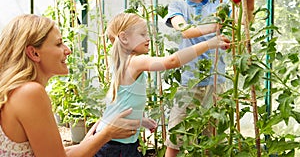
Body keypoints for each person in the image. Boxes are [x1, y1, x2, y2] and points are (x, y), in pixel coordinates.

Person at [0, 14, 141, 157]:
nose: (68, 50)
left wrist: (96, 135)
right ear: (34, 53)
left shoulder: (14, 91)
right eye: (58, 44)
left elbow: (53, 153)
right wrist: (108, 133)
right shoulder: (29, 92)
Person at [93, 12, 230, 157]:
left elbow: (122, 105)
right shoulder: (133, 62)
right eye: (142, 34)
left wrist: (141, 121)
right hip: (114, 146)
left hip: (118, 142)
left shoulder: (123, 63)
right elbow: (172, 61)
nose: (148, 38)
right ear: (124, 38)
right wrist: (209, 44)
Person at [164, 0, 255, 156]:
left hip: (217, 84)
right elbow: (185, 30)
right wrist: (215, 27)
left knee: (212, 140)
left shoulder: (221, 6)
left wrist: (248, 5)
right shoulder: (178, 7)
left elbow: (241, 27)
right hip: (188, 85)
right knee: (175, 139)